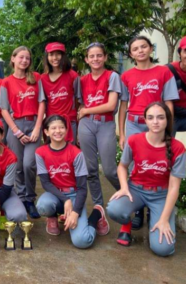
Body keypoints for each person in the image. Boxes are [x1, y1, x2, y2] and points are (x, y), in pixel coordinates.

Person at [107, 102, 186, 256]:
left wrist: (163, 219)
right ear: (145, 120)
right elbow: (122, 166)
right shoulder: (134, 140)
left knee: (163, 249)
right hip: (136, 190)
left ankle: (156, 220)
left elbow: (174, 187)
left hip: (160, 195)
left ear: (167, 120)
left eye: (160, 117)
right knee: (114, 209)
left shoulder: (178, 148)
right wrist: (124, 187)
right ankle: (127, 224)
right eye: (150, 117)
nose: (155, 121)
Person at [118, 36, 179, 230]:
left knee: (161, 163)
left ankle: (156, 208)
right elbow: (123, 105)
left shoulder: (163, 72)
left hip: (157, 122)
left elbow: (169, 101)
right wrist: (122, 132)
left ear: (151, 49)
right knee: (137, 166)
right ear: (131, 54)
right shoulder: (126, 76)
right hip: (135, 123)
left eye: (144, 46)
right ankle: (138, 209)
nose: (140, 51)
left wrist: (168, 128)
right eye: (135, 49)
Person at [35, 115, 108, 248]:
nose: (58, 131)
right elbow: (45, 183)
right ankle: (53, 217)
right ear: (46, 132)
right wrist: (65, 200)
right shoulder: (40, 152)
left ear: (67, 130)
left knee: (82, 241)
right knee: (42, 206)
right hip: (56, 195)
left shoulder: (76, 153)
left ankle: (97, 214)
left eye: (62, 127)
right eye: (53, 128)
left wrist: (75, 212)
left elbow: (82, 188)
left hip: (75, 195)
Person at [77, 42, 122, 232]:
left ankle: (131, 196)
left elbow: (111, 105)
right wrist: (83, 113)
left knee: (110, 169)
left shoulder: (112, 76)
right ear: (86, 59)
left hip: (105, 123)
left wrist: (86, 109)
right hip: (86, 124)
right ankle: (99, 209)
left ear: (104, 57)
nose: (95, 59)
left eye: (99, 55)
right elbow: (79, 104)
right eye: (91, 56)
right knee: (90, 170)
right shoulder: (82, 79)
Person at [0, 46, 46, 218]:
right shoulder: (6, 82)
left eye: (27, 58)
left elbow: (42, 103)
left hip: (33, 124)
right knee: (17, 165)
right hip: (15, 126)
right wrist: (16, 131)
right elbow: (3, 109)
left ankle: (30, 198)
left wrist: (38, 127)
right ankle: (21, 197)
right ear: (13, 59)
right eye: (21, 57)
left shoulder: (36, 78)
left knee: (29, 164)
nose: (24, 61)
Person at [41, 42, 79, 141]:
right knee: (52, 153)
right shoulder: (42, 78)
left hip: (69, 122)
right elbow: (42, 102)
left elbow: (78, 100)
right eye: (51, 54)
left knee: (70, 153)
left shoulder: (72, 75)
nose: (55, 58)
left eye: (58, 54)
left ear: (63, 56)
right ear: (47, 57)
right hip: (51, 123)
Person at [167, 36, 186, 135]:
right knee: (166, 145)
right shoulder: (168, 70)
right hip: (171, 114)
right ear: (180, 53)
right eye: (185, 51)